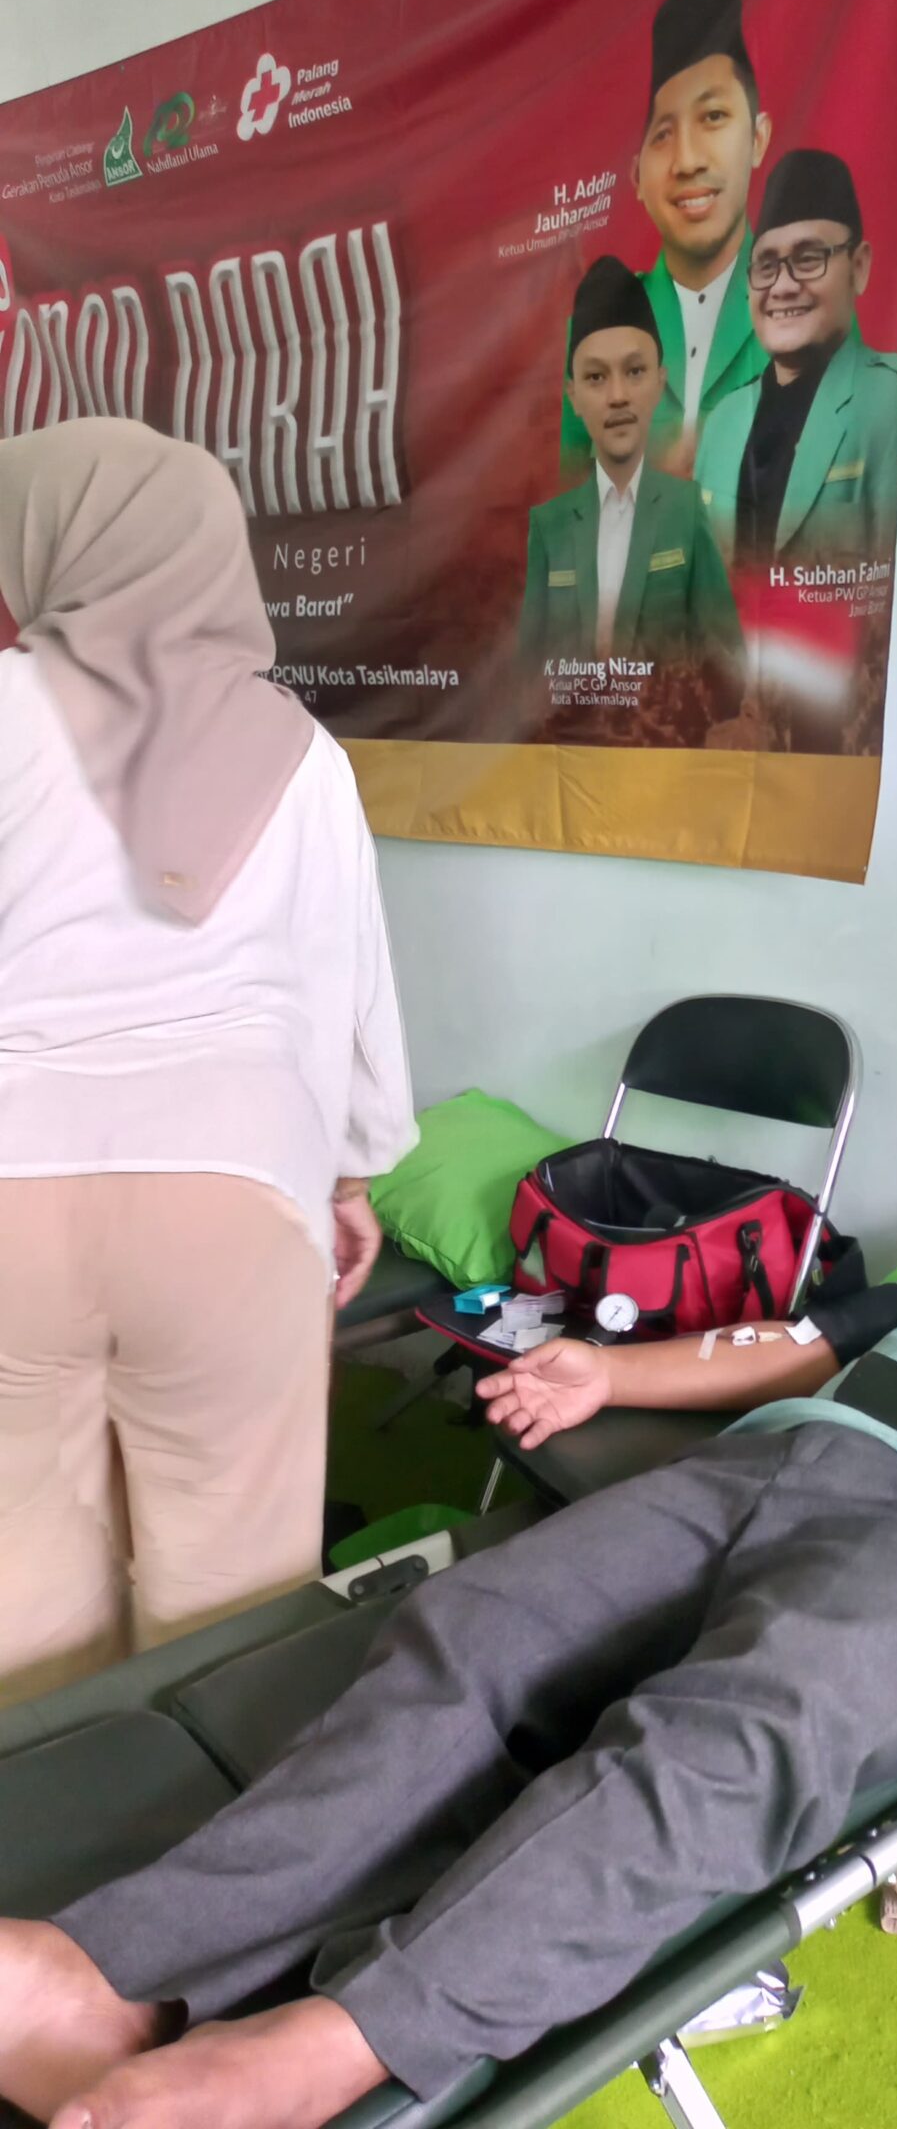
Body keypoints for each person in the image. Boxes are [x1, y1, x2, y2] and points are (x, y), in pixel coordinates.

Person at [0, 1122, 897, 2129]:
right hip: (760, 1465)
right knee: (472, 1628)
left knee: (726, 1739)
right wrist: (606, 1375)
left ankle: (344, 2042)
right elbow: (794, 1348)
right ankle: (107, 1969)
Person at [0, 417, 417, 1704]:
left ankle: (44, 1817)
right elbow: (346, 996)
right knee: (236, 1592)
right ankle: (219, 1821)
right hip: (234, 1202)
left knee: (17, 1590)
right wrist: (351, 1178)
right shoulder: (301, 753)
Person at [559, 0, 772, 481]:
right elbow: (572, 502)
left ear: (758, 139)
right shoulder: (598, 326)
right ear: (637, 177)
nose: (688, 160)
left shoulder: (803, 306)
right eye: (663, 134)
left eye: (714, 116)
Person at [520, 257, 743, 679]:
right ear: (573, 395)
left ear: (659, 381)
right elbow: (528, 676)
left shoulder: (686, 510)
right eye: (596, 377)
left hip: (663, 721)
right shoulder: (549, 527)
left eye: (635, 371)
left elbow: (727, 661)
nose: (618, 395)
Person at [696, 147, 897, 572]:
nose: (783, 287)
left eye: (808, 259)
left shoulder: (889, 401)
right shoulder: (721, 423)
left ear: (859, 267)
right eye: (766, 265)